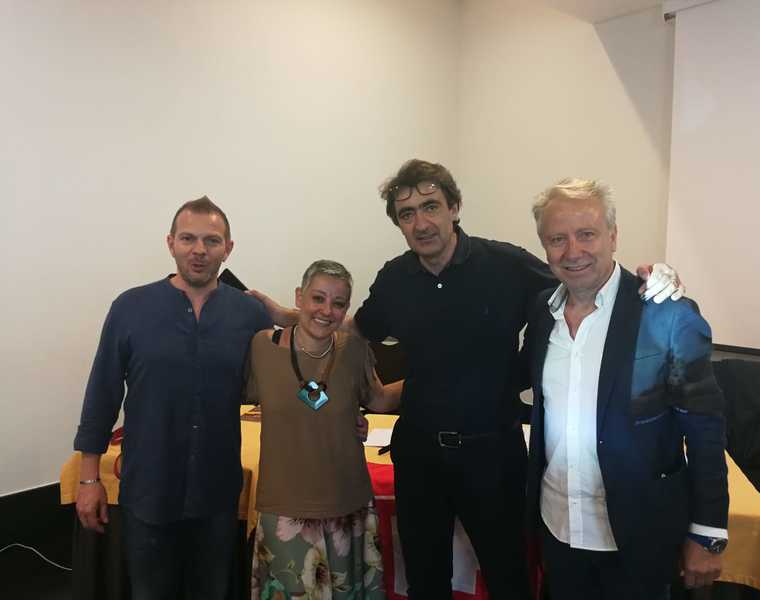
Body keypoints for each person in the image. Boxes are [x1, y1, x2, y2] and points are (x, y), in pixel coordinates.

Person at [252, 159, 684, 600]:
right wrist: (294, 316)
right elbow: (357, 330)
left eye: (431, 206)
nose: (421, 223)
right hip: (420, 455)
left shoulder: (506, 264)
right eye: (407, 214)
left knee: (509, 579)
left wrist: (647, 282)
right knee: (425, 582)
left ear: (454, 207)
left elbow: (579, 282)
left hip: (493, 455)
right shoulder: (396, 278)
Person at [523, 179, 728, 599]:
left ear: (613, 236)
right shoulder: (543, 313)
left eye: (587, 234)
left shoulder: (665, 314)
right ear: (544, 246)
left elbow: (705, 431)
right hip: (558, 527)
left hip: (640, 536)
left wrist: (707, 532)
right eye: (558, 239)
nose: (573, 251)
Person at [73, 196, 273, 600]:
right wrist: (89, 479)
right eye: (188, 238)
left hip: (217, 493)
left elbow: (287, 379)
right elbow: (102, 394)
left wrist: (332, 407)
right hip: (148, 489)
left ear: (228, 249)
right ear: (170, 243)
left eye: (211, 240)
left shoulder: (249, 315)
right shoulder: (130, 308)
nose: (199, 250)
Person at [246, 260, 401, 600]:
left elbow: (378, 400)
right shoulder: (261, 346)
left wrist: (431, 375)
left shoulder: (354, 348)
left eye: (338, 303)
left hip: (346, 503)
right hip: (284, 506)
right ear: (299, 297)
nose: (326, 311)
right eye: (318, 298)